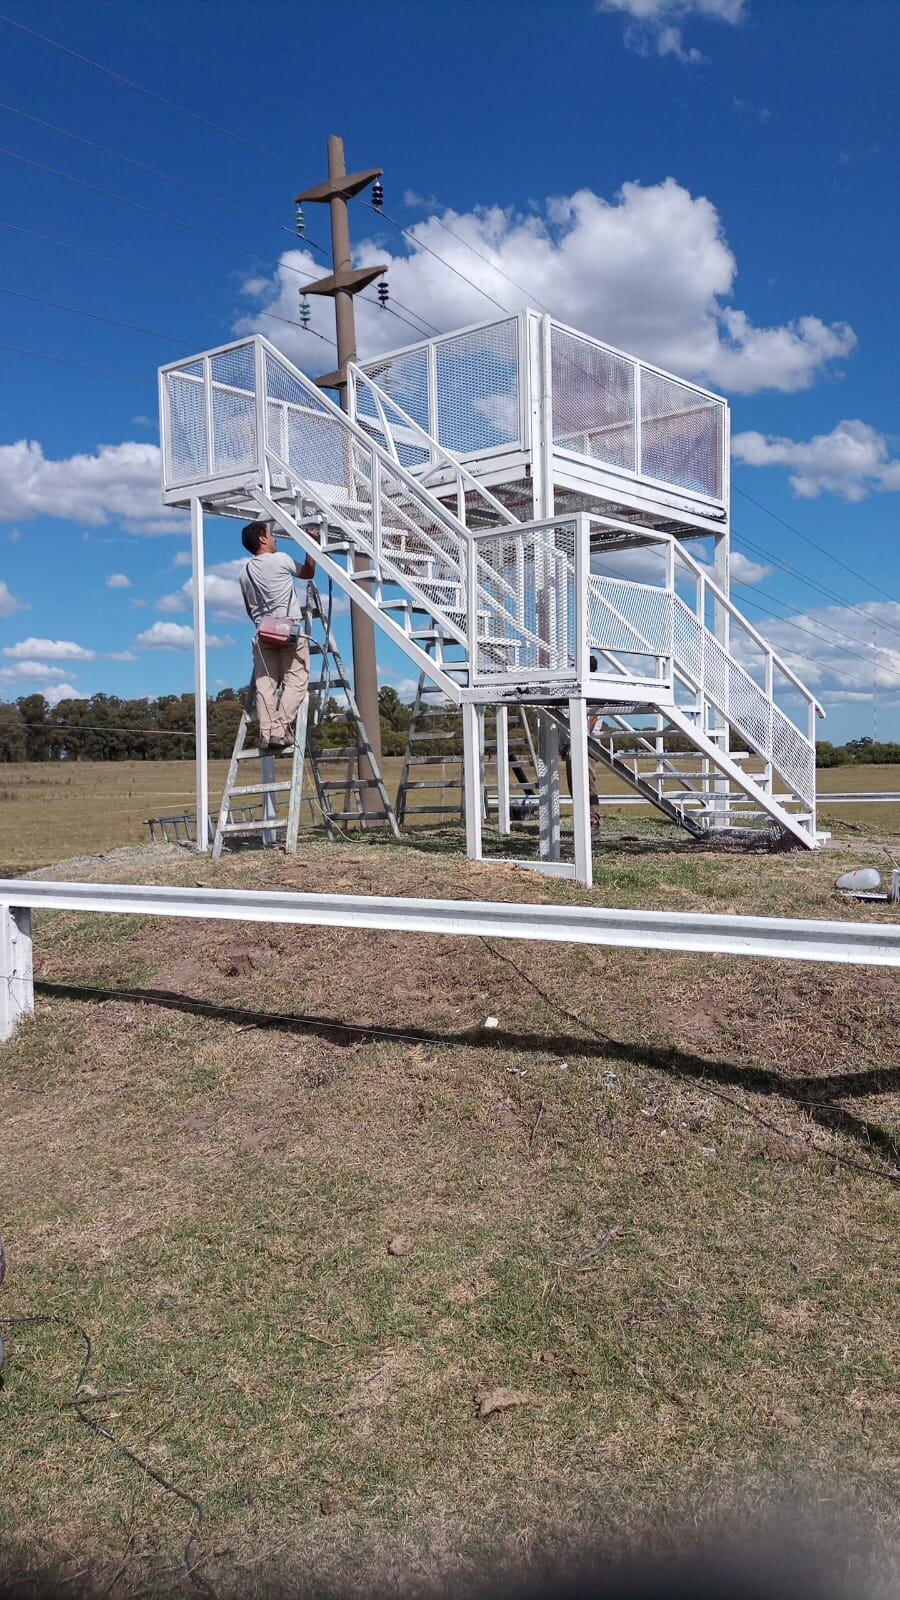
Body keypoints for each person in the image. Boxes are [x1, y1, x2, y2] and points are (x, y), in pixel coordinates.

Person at [239, 520, 316, 752]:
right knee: (296, 682)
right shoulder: (281, 559)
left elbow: (249, 609)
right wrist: (311, 542)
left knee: (265, 685)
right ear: (262, 538)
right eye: (271, 535)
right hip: (289, 630)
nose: (275, 539)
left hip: (263, 633)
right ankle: (280, 730)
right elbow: (308, 572)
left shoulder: (245, 572)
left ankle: (266, 734)